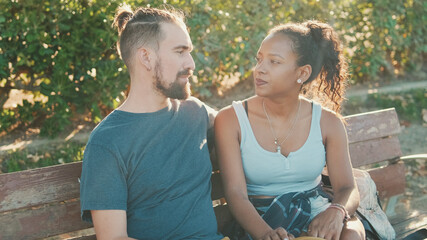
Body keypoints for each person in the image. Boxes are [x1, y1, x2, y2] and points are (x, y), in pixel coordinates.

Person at [79, 5, 223, 240]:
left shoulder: (196, 112)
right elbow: (114, 238)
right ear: (146, 57)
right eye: (180, 51)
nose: (191, 63)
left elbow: (246, 131)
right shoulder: (107, 143)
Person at [214, 20, 365, 240]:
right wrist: (266, 234)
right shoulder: (231, 120)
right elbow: (236, 195)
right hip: (260, 218)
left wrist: (336, 211)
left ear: (302, 73)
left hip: (315, 210)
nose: (260, 69)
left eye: (274, 61)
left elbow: (347, 187)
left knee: (351, 234)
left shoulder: (328, 122)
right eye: (259, 59)